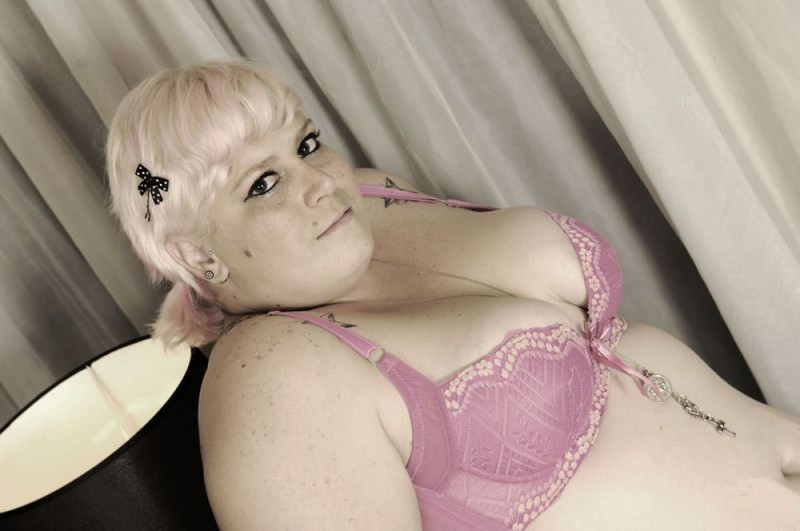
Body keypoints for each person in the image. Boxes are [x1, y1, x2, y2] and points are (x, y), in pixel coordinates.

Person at [105, 59, 800, 530]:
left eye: (307, 144)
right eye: (264, 183)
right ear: (198, 255)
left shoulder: (364, 197)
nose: (320, 181)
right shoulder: (269, 378)